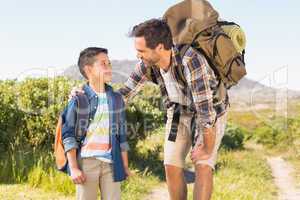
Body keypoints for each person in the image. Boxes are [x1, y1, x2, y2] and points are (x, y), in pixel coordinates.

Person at [71, 19, 228, 200]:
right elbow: (122, 96)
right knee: (171, 165)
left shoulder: (191, 61)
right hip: (178, 112)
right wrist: (85, 95)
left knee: (203, 165)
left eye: (141, 51)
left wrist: (206, 149)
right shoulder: (146, 65)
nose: (138, 55)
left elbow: (206, 113)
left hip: (211, 113)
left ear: (160, 48)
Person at [62, 47, 131, 200]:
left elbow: (122, 136)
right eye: (103, 64)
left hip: (111, 163)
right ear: (88, 69)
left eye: (109, 63)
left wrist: (125, 166)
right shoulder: (79, 98)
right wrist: (73, 168)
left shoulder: (116, 99)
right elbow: (68, 135)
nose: (109, 67)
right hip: (86, 162)